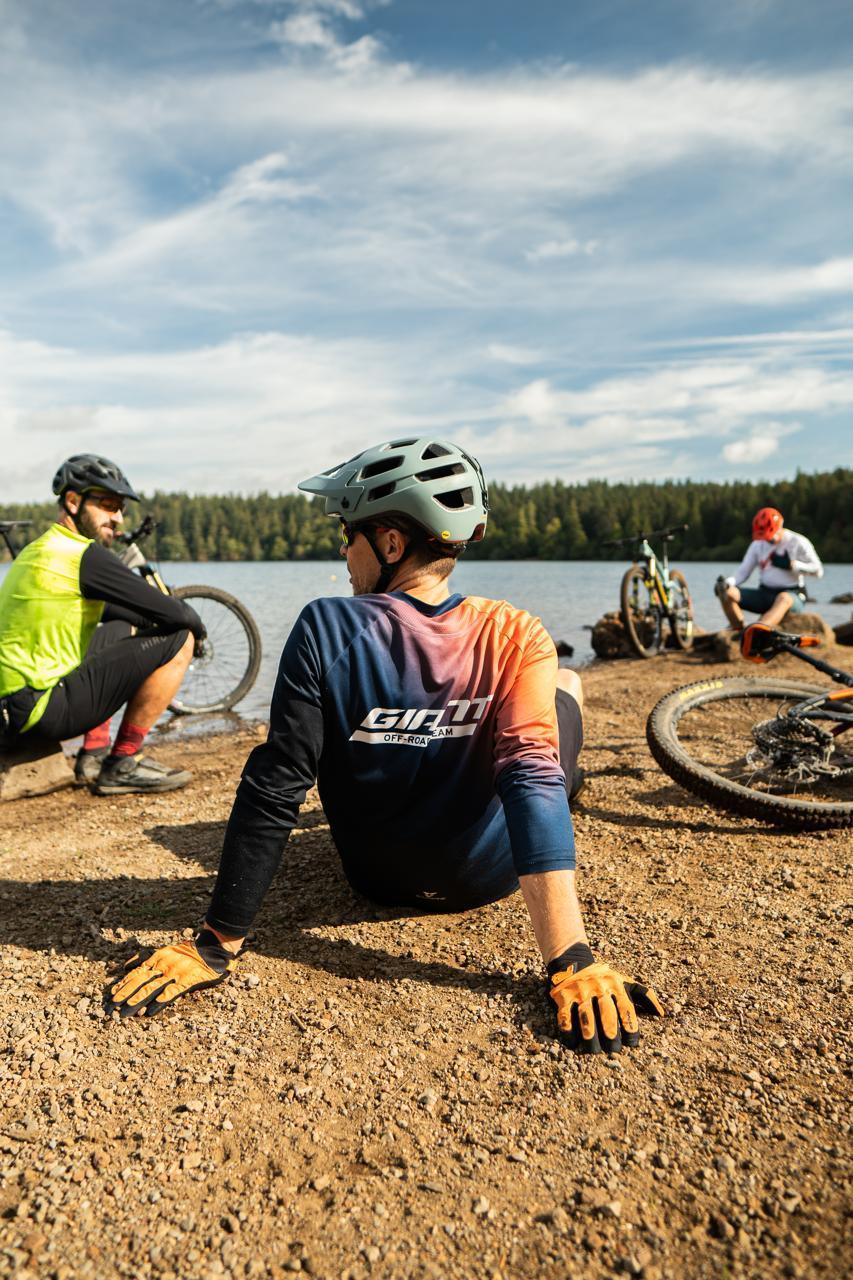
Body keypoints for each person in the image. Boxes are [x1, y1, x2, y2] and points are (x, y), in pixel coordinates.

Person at [107, 438, 663, 1053]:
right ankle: (570, 767)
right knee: (561, 696)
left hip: (373, 879)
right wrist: (570, 956)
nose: (344, 555)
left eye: (349, 536)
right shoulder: (516, 630)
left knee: (525, 731)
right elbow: (530, 776)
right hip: (488, 879)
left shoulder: (324, 626)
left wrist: (216, 943)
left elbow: (278, 782)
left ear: (392, 544)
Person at [0, 453, 206, 794]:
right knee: (180, 637)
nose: (119, 518)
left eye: (121, 508)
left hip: (11, 709)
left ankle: (93, 751)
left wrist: (151, 617)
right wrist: (197, 633)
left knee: (118, 630)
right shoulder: (83, 556)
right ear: (72, 500)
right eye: (109, 505)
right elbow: (180, 616)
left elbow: (123, 613)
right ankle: (124, 761)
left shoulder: (40, 550)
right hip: (35, 712)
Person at [715, 506, 824, 631]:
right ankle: (738, 630)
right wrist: (727, 584)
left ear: (779, 528)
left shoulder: (798, 541)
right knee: (726, 593)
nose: (767, 540)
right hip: (765, 593)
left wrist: (792, 565)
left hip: (792, 595)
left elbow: (818, 571)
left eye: (770, 536)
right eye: (763, 537)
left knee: (783, 597)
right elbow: (743, 572)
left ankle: (758, 630)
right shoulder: (758, 544)